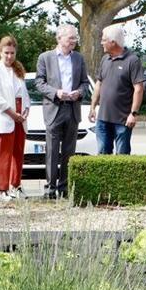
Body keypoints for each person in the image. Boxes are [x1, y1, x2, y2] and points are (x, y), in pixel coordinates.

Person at [35, 25, 90, 198]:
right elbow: (39, 82)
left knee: (69, 150)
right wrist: (56, 93)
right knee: (51, 151)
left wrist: (79, 93)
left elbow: (85, 83)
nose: (74, 41)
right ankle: (50, 188)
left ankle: (64, 187)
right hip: (54, 108)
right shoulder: (45, 58)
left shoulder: (79, 59)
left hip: (72, 109)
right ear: (59, 38)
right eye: (71, 38)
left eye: (75, 38)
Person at [89, 25, 144, 156]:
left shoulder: (132, 60)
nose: (101, 43)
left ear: (113, 42)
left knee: (122, 157)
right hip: (103, 118)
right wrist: (93, 107)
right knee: (102, 154)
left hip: (123, 120)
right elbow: (99, 83)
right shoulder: (105, 59)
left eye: (103, 40)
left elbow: (139, 88)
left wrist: (133, 114)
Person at [0, 35, 31, 201]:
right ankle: (2, 189)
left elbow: (25, 94)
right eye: (6, 53)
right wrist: (12, 113)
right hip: (6, 117)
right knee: (4, 155)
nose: (9, 56)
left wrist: (26, 111)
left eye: (12, 53)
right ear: (0, 52)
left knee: (18, 154)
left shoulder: (18, 69)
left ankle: (16, 185)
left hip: (20, 118)